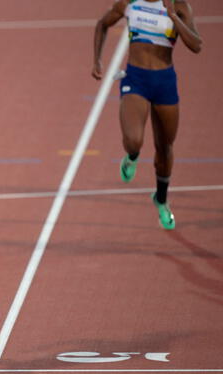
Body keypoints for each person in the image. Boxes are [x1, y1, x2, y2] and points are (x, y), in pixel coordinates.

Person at [93, 0, 202, 230]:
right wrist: (97, 60)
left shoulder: (179, 6)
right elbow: (102, 24)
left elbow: (196, 44)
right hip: (136, 79)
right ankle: (131, 157)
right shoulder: (130, 3)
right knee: (134, 140)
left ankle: (161, 200)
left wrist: (174, 17)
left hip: (165, 83)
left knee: (165, 149)